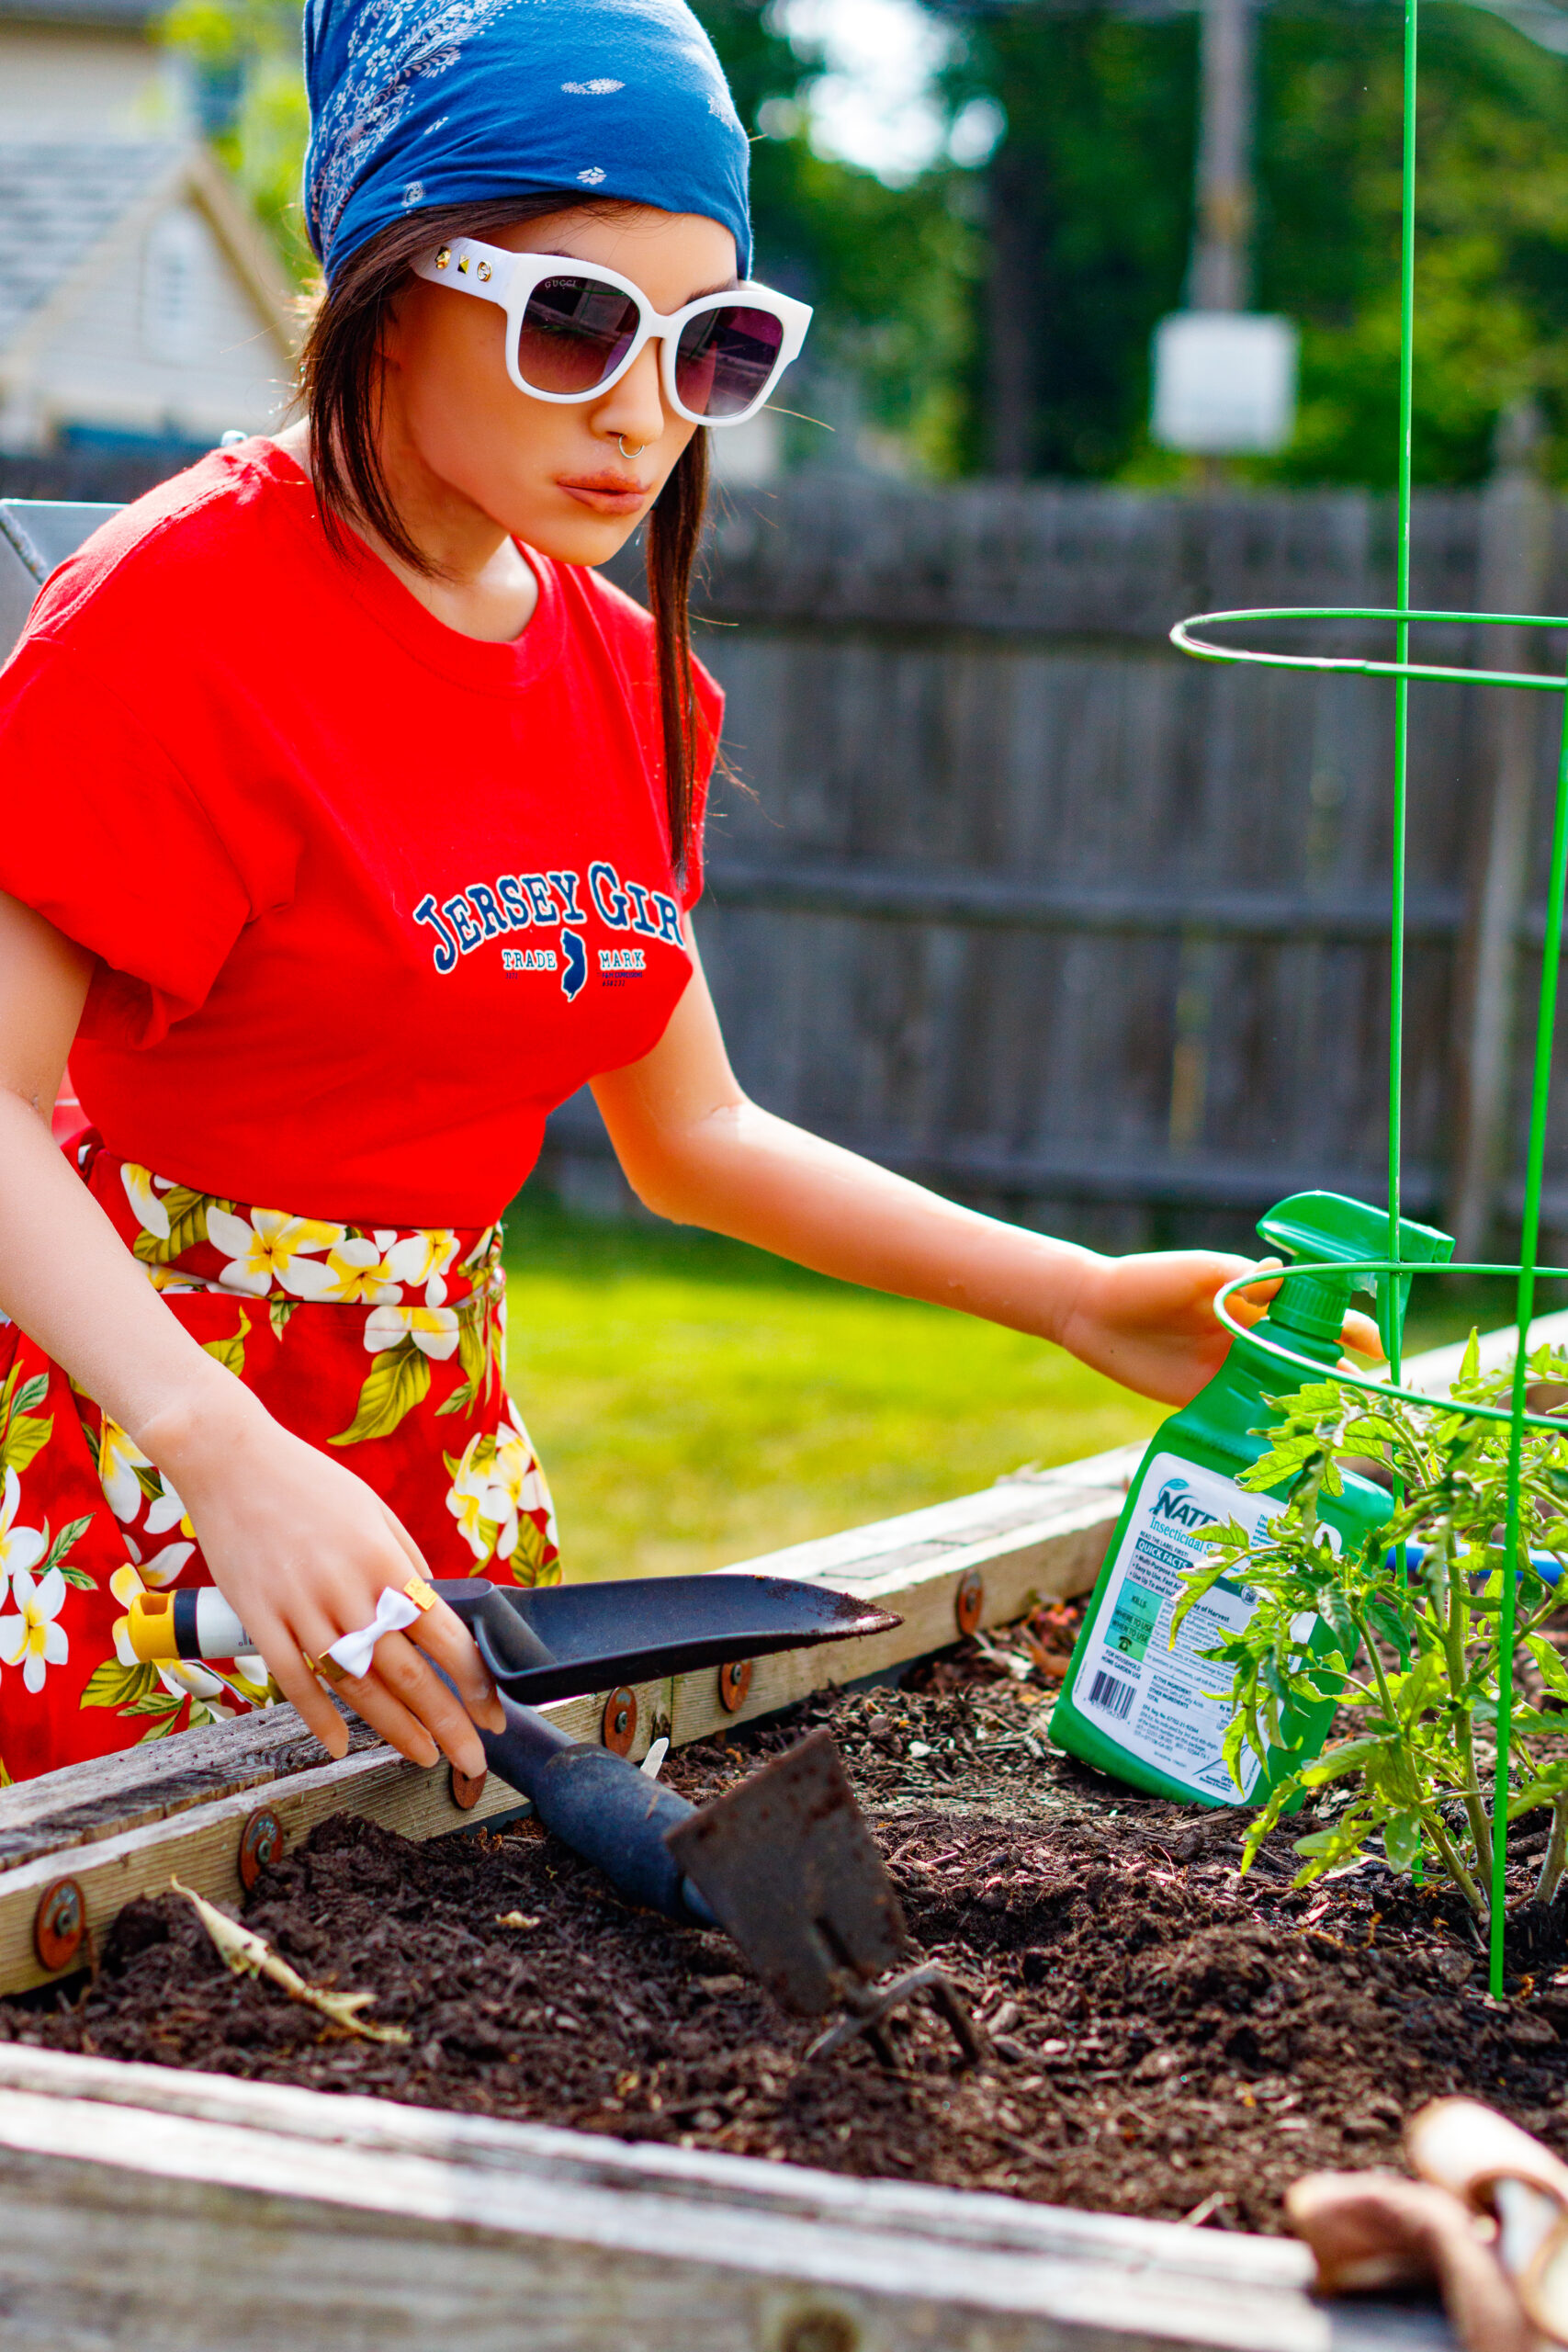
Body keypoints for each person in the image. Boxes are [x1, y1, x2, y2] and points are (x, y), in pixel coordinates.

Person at [0, 0, 1367, 1787]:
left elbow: (693, 1132)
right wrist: (214, 1441)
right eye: (573, 322)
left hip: (430, 1448)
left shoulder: (622, 673)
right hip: (127, 1456)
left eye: (708, 344)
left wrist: (1071, 1295)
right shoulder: (174, 619)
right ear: (391, 286)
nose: (645, 412)